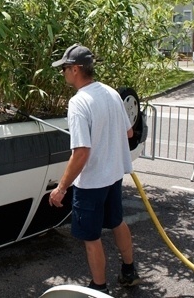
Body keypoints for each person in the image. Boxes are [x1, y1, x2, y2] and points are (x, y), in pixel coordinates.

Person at [49, 44, 141, 294]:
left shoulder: (79, 103)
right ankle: (129, 271)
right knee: (117, 222)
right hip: (113, 176)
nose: (63, 74)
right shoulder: (110, 93)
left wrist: (61, 188)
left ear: (76, 70)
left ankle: (99, 287)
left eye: (65, 69)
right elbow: (129, 132)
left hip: (91, 183)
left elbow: (81, 153)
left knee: (91, 238)